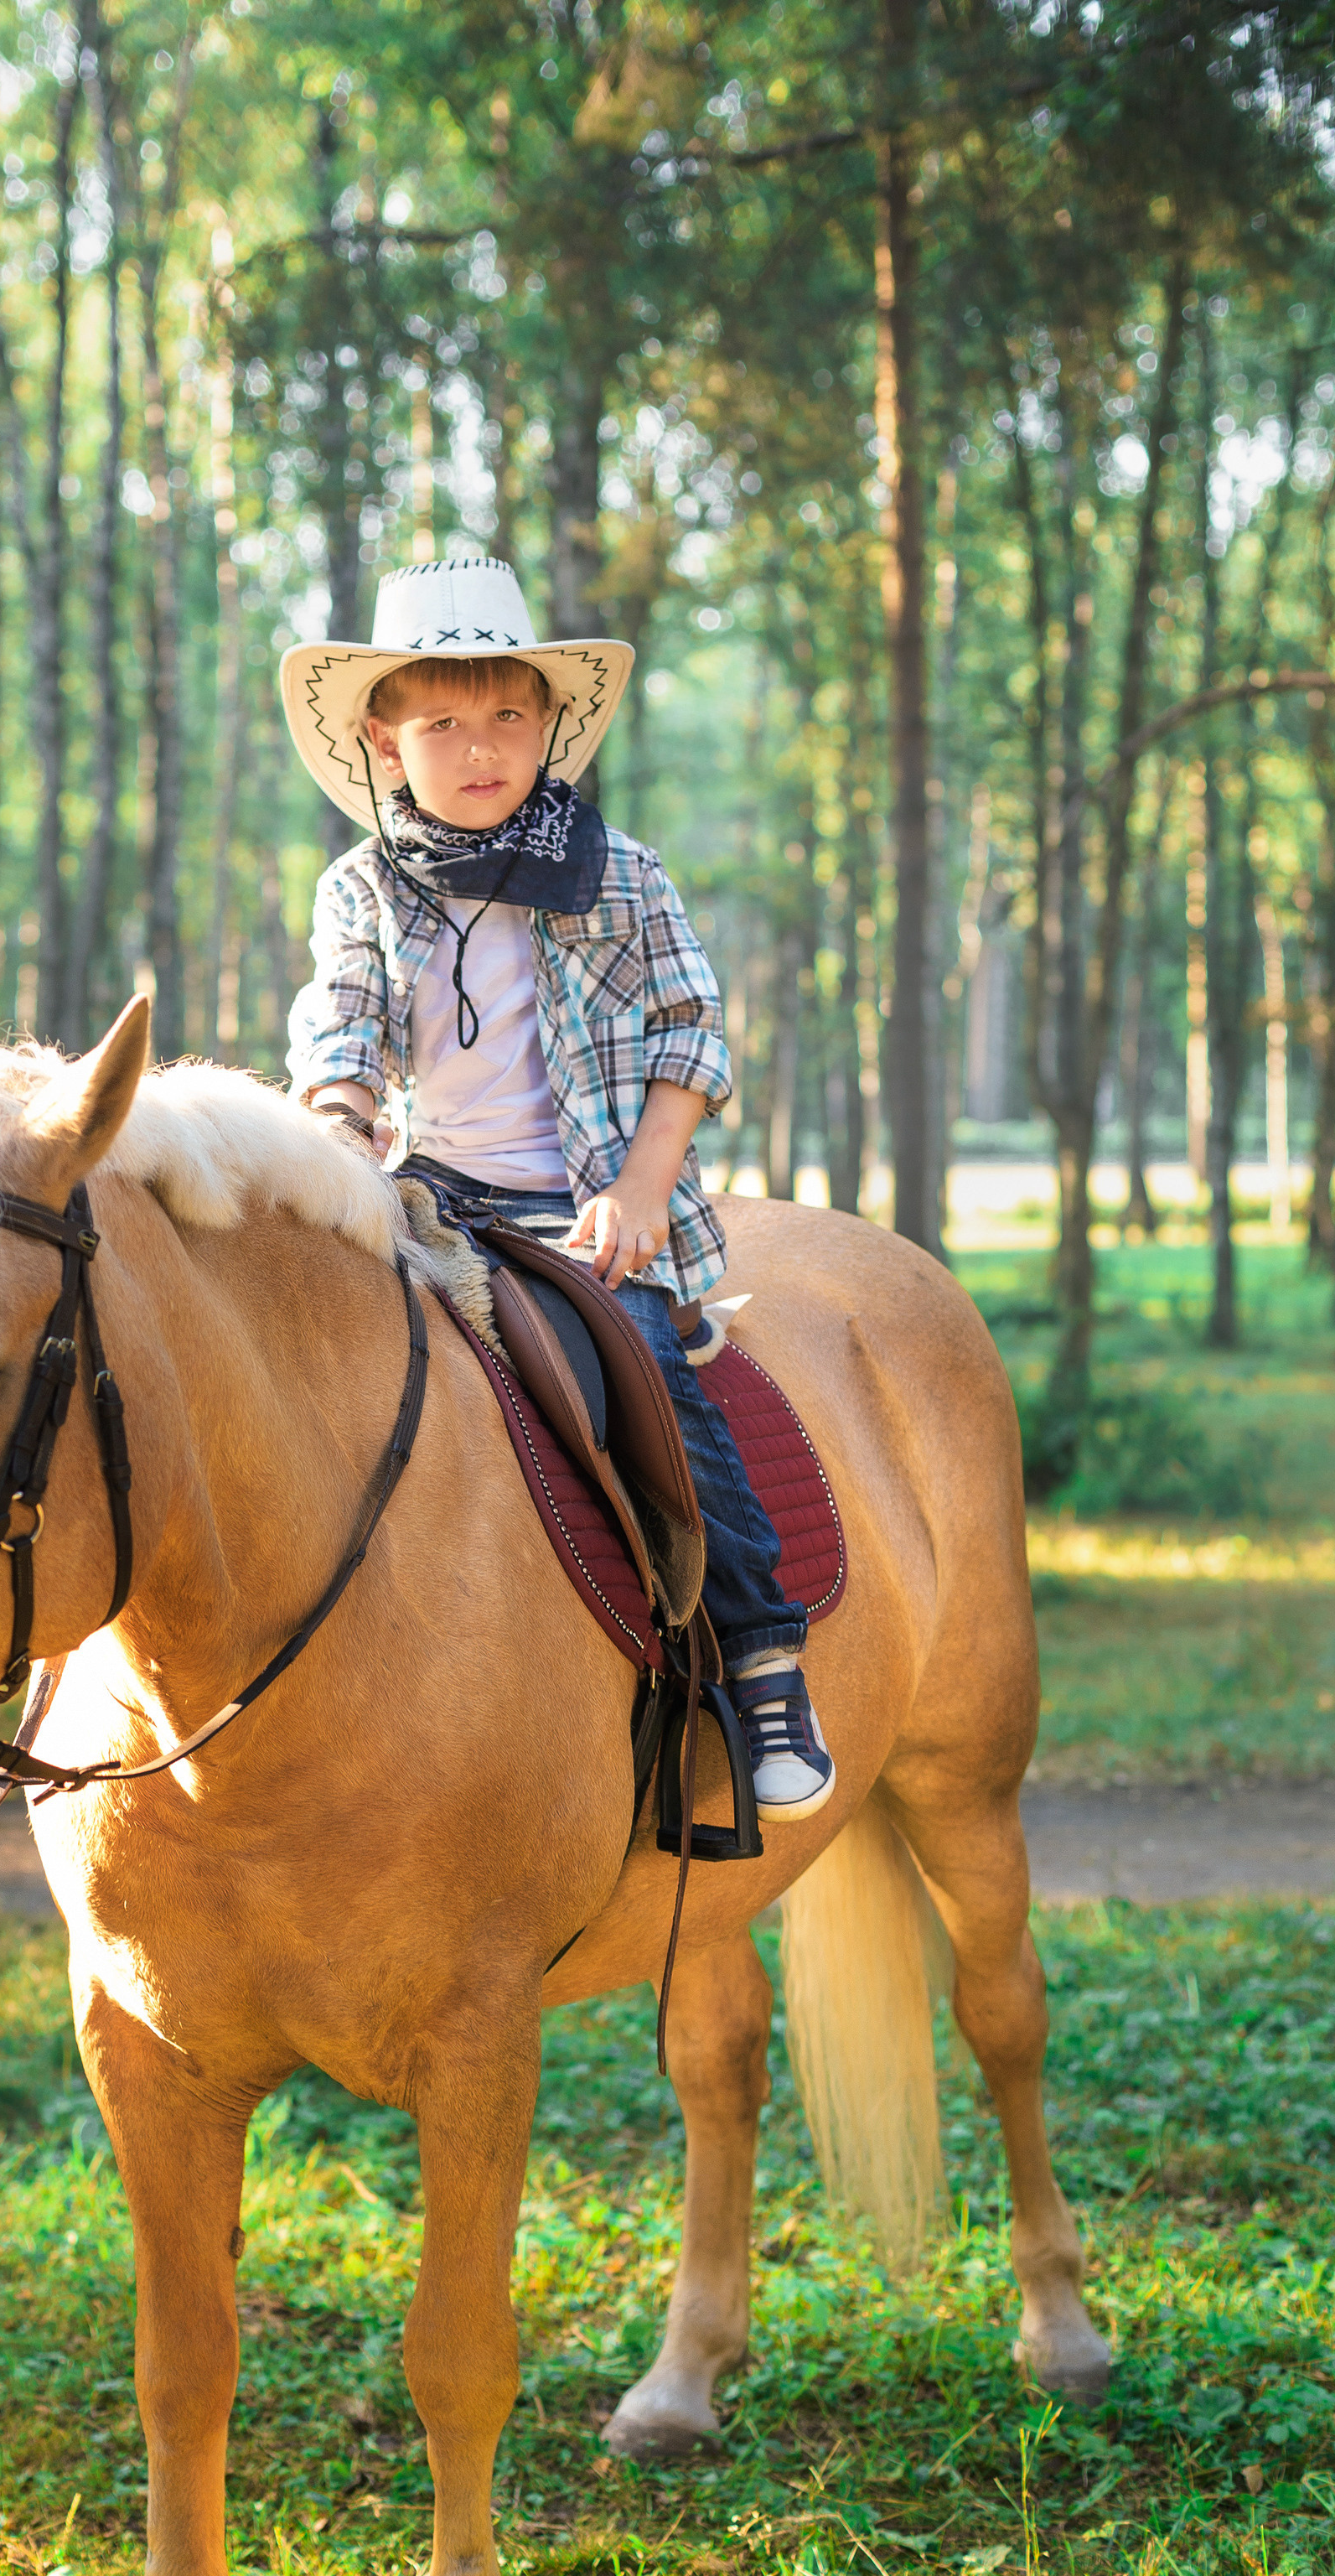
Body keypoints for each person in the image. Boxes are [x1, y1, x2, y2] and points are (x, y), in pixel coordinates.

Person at [279, 557, 833, 1821]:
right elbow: (344, 1029)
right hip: (431, 1198)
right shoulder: (362, 888)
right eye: (441, 724)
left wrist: (641, 1189)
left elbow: (690, 1035)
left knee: (648, 1379)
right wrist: (336, 1124)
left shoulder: (617, 873)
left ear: (549, 722)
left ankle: (757, 1658)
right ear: (384, 737)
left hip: (586, 1206)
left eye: (507, 718)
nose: (478, 750)